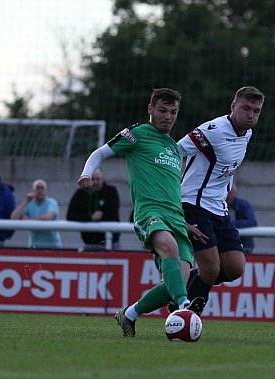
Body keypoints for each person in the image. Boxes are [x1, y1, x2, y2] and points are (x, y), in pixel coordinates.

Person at [77, 87, 204, 337]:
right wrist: (86, 173)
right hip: (149, 212)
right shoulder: (137, 134)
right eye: (163, 110)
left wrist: (185, 223)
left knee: (175, 282)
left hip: (176, 218)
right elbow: (101, 152)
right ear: (150, 109)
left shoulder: (173, 147)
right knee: (169, 250)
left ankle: (129, 314)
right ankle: (183, 307)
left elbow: (171, 189)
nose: (168, 116)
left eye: (173, 112)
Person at [176, 86, 265, 311]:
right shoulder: (212, 130)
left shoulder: (247, 133)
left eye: (256, 111)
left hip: (219, 209)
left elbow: (225, 168)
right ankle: (184, 315)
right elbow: (175, 151)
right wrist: (171, 192)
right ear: (233, 107)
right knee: (211, 269)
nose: (251, 115)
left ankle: (180, 285)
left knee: (235, 268)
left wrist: (226, 191)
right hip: (193, 204)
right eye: (246, 109)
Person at [67, 168, 121, 250]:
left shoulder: (111, 191)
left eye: (98, 179)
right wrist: (90, 217)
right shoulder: (81, 194)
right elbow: (70, 215)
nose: (95, 182)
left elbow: (113, 213)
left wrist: (101, 216)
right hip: (89, 243)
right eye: (92, 179)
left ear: (103, 179)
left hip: (111, 242)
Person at [11, 179, 62, 249]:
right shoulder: (29, 203)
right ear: (33, 190)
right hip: (33, 246)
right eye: (37, 188)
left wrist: (28, 220)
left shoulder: (52, 203)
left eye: (42, 188)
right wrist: (26, 201)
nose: (39, 190)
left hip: (53, 246)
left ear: (46, 191)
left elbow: (47, 217)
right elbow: (14, 217)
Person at [226, 184, 258, 254]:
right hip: (226, 242)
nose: (228, 195)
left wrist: (231, 224)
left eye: (230, 193)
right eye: (226, 192)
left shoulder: (243, 204)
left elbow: (252, 222)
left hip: (244, 243)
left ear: (235, 193)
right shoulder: (220, 205)